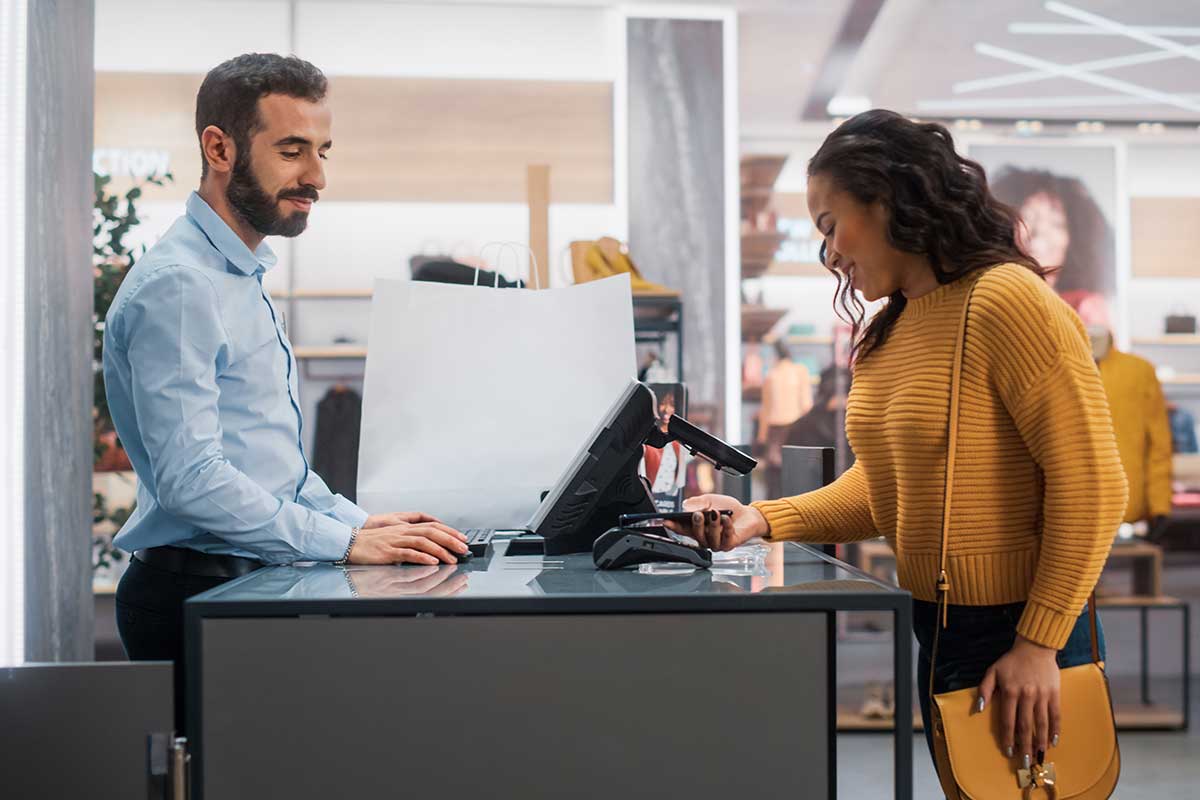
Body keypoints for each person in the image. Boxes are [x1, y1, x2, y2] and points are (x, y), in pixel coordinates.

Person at [669, 110, 1126, 778]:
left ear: (889, 199)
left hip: (1026, 629)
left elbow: (1093, 485)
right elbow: (885, 492)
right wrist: (762, 518)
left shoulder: (1007, 301)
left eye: (831, 226)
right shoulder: (888, 334)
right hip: (939, 626)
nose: (828, 253)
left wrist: (1038, 643)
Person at [103, 54, 469, 733]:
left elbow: (268, 465)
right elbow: (192, 480)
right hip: (196, 591)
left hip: (242, 580)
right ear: (219, 148)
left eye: (323, 151)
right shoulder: (181, 287)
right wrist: (339, 541)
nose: (317, 177)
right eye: (292, 150)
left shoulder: (237, 275)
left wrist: (354, 523)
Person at [990, 166, 1116, 300]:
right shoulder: (988, 295)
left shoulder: (1085, 308)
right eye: (1027, 217)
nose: (1039, 235)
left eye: (1056, 223)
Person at [757, 341, 813, 498]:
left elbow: (765, 411)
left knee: (774, 481)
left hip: (774, 431)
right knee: (796, 476)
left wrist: (761, 438)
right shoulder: (800, 371)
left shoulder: (771, 375)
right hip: (795, 428)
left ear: (775, 355)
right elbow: (807, 405)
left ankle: (772, 515)